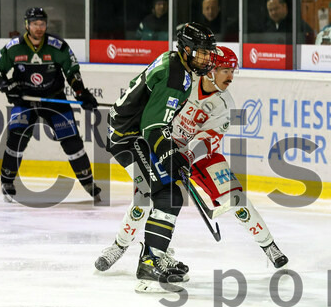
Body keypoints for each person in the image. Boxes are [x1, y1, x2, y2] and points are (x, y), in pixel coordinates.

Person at [96, 46, 288, 275]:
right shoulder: (184, 82)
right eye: (225, 69)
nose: (230, 76)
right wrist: (169, 152)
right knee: (145, 197)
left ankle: (269, 246)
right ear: (210, 71)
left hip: (196, 154)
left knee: (235, 196)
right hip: (161, 144)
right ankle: (119, 246)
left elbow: (210, 139)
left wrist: (186, 156)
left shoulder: (225, 105)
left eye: (232, 70)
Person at [105, 22, 217, 292]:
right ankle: (151, 260)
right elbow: (153, 126)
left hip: (133, 133)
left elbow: (155, 120)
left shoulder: (177, 64)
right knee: (168, 194)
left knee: (167, 193)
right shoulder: (175, 76)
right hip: (129, 138)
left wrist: (170, 153)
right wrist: (169, 155)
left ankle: (155, 253)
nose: (207, 58)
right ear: (187, 49)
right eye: (202, 52)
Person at [0, 7, 102, 202]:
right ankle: (7, 181)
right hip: (26, 100)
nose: (39, 28)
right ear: (26, 25)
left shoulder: (58, 46)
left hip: (55, 100)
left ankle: (88, 182)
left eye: (42, 23)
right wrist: (3, 84)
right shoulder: (14, 47)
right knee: (16, 138)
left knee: (72, 142)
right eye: (35, 24)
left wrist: (81, 92)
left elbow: (72, 71)